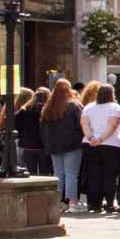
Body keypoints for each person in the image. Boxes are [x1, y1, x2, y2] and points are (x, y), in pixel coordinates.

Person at [80, 84, 120, 215]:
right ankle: (110, 202)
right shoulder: (115, 107)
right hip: (112, 145)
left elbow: (85, 124)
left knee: (93, 174)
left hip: (89, 145)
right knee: (110, 175)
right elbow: (113, 125)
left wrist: (91, 138)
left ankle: (94, 203)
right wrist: (101, 139)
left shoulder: (88, 107)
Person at [41, 80, 86, 212]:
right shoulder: (73, 105)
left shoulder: (48, 107)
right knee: (71, 174)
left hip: (54, 145)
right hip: (72, 144)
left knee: (58, 174)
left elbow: (43, 128)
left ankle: (58, 202)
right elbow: (81, 124)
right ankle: (72, 203)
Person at [15, 88, 50, 176]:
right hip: (44, 145)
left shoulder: (24, 110)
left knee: (31, 173)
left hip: (28, 145)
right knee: (44, 173)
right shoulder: (48, 110)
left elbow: (16, 125)